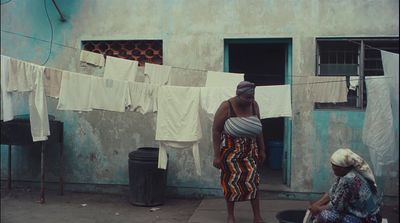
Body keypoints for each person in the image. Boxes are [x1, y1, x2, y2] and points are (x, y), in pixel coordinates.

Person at [212, 81, 266, 223]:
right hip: (231, 153)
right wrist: (216, 156)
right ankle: (231, 217)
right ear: (239, 95)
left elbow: (259, 129)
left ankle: (257, 217)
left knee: (253, 182)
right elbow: (216, 131)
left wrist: (262, 150)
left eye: (252, 97)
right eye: (247, 98)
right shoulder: (226, 107)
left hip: (250, 152)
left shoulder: (254, 105)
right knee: (231, 184)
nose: (250, 100)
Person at [308, 148, 382, 223]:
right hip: (367, 212)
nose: (333, 169)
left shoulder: (348, 180)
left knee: (323, 215)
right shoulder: (350, 171)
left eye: (335, 167)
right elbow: (332, 192)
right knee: (326, 204)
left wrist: (317, 209)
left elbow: (337, 207)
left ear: (342, 168)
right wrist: (316, 204)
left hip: (367, 219)